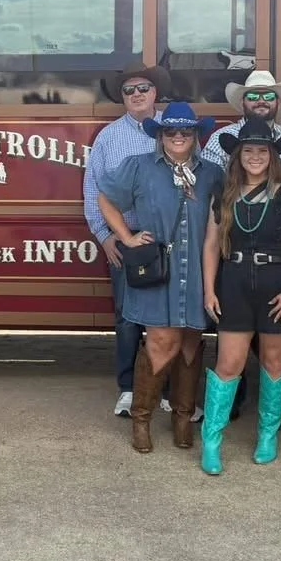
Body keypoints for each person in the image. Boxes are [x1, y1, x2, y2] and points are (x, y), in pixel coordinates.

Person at [96, 102, 223, 455]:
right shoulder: (139, 166)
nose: (179, 137)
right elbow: (106, 199)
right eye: (171, 131)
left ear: (197, 136)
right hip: (158, 271)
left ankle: (183, 418)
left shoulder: (212, 173)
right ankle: (141, 419)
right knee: (159, 342)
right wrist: (125, 236)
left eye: (186, 131)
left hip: (197, 271)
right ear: (161, 135)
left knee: (191, 343)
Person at [200, 119, 281, 474]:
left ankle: (267, 435)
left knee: (274, 364)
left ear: (273, 155)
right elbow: (211, 245)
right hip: (233, 282)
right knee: (228, 364)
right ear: (237, 155)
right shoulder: (224, 194)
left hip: (277, 284)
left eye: (262, 150)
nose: (255, 157)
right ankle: (211, 441)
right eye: (248, 150)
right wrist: (208, 290)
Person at [83, 62, 166, 417]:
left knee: (168, 319)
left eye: (143, 88)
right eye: (129, 90)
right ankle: (129, 388)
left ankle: (165, 389)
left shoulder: (175, 129)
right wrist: (106, 237)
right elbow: (93, 190)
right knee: (128, 318)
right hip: (126, 238)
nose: (136, 95)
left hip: (169, 237)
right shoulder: (109, 136)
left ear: (155, 93)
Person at [203, 70, 281, 185]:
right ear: (242, 102)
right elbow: (208, 181)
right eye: (253, 96)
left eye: (269, 96)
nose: (261, 101)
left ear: (278, 102)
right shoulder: (219, 138)